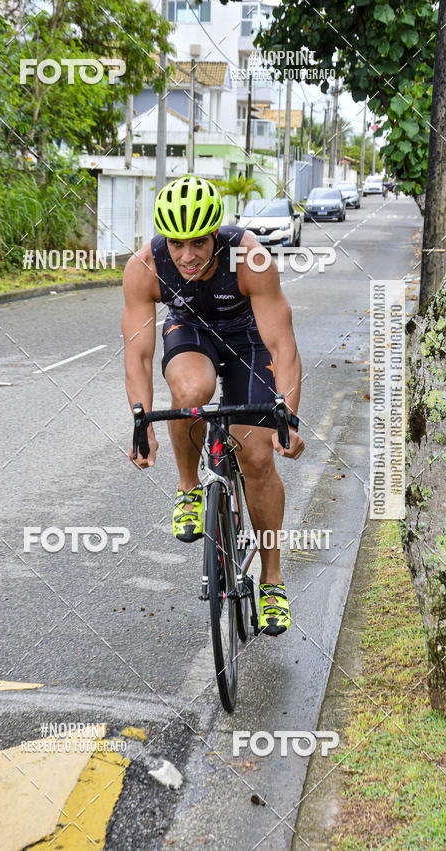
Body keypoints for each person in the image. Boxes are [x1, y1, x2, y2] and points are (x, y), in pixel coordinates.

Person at [121, 175, 305, 636]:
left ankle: (272, 581)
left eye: (199, 242)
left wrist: (287, 417)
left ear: (215, 235)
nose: (187, 256)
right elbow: (138, 356)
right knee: (188, 394)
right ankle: (189, 488)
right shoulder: (145, 266)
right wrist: (141, 422)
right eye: (178, 243)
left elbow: (282, 346)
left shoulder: (251, 258)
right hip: (191, 333)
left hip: (249, 341)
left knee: (258, 457)